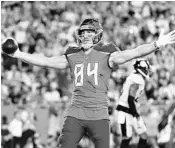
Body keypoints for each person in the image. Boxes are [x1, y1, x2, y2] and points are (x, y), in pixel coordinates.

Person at [2, 18, 175, 148]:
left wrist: (156, 44)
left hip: (99, 115)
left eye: (89, 32)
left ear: (97, 35)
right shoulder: (72, 55)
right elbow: (46, 61)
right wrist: (18, 54)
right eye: (83, 32)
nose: (85, 35)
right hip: (75, 114)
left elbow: (134, 52)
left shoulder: (108, 55)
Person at [117, 59, 151, 148]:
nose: (146, 71)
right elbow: (130, 99)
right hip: (126, 111)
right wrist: (136, 114)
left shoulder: (134, 77)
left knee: (143, 136)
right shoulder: (137, 79)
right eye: (145, 69)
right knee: (127, 138)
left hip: (128, 110)